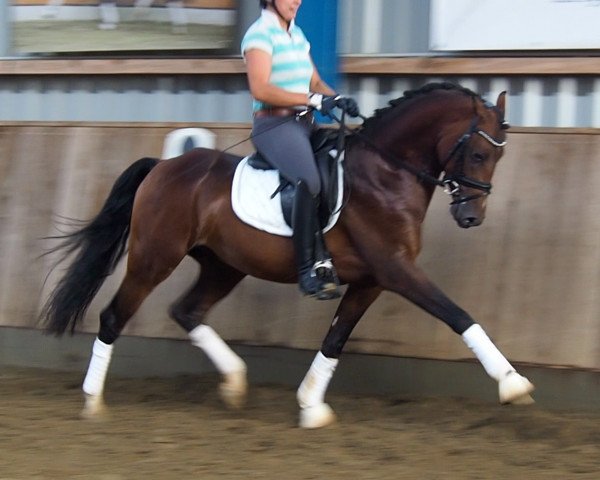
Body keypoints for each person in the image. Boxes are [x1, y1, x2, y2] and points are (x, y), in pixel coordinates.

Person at [241, 0, 359, 300]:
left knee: (344, 161)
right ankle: (307, 268)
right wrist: (313, 100)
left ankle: (332, 250)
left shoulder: (297, 35)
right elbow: (261, 89)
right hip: (274, 126)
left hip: (305, 125)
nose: (296, 1)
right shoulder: (259, 35)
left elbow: (315, 81)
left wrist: (338, 98)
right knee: (309, 179)